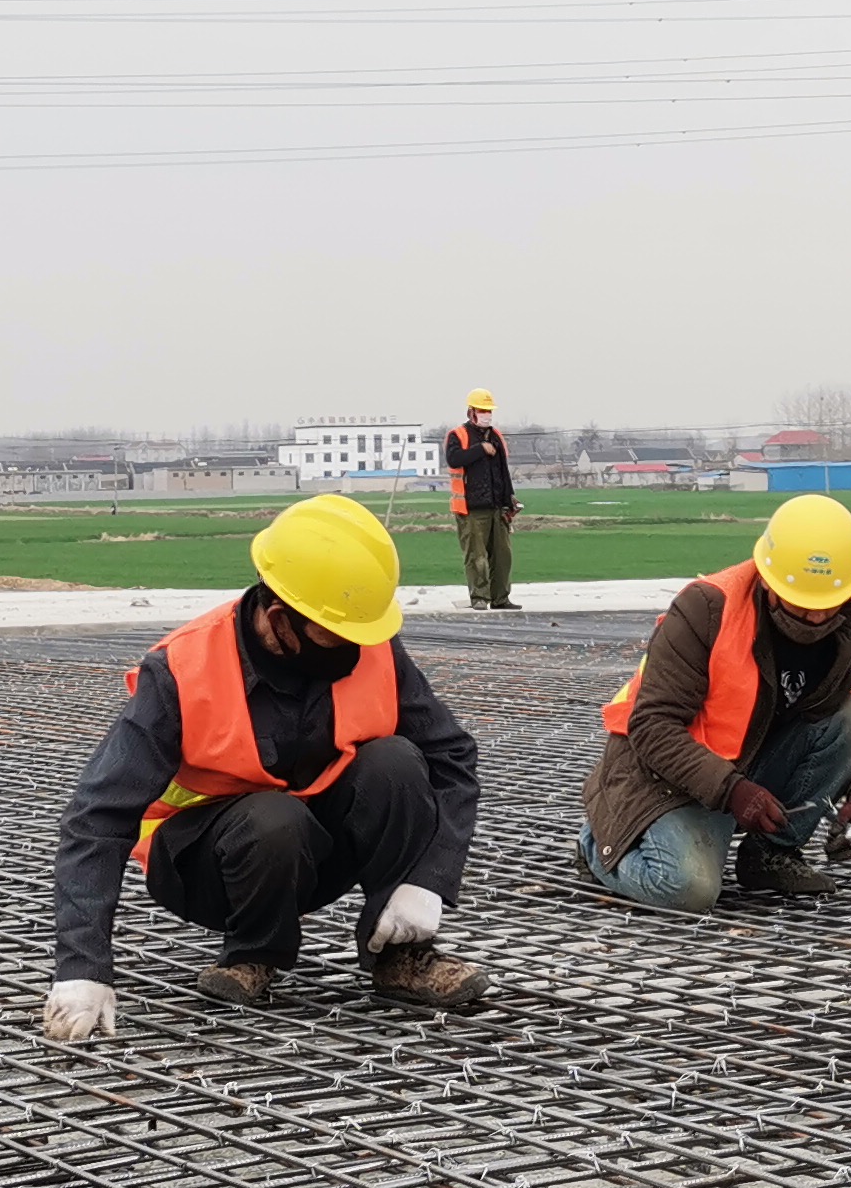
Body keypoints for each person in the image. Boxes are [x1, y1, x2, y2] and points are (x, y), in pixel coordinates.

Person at [42, 492, 489, 1028]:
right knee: (273, 816)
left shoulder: (366, 642)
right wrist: (82, 967)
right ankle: (252, 953)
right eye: (334, 636)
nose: (352, 650)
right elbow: (97, 819)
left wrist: (430, 878)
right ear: (278, 618)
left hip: (315, 854)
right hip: (206, 870)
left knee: (396, 762)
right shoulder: (184, 668)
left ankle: (399, 955)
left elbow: (452, 756)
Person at [576, 494, 851, 909]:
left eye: (827, 606)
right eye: (802, 606)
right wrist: (733, 791)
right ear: (769, 582)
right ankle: (598, 847)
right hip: (669, 775)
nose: (817, 619)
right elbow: (653, 726)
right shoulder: (707, 610)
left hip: (751, 765)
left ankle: (770, 854)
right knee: (687, 889)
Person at [443, 387, 521, 612]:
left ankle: (500, 598)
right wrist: (479, 449)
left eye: (489, 410)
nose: (487, 414)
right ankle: (479, 597)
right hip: (471, 508)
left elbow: (502, 470)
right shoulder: (458, 435)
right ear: (471, 412)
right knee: (476, 558)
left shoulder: (496, 436)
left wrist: (510, 499)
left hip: (497, 506)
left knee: (502, 556)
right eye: (482, 410)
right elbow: (454, 458)